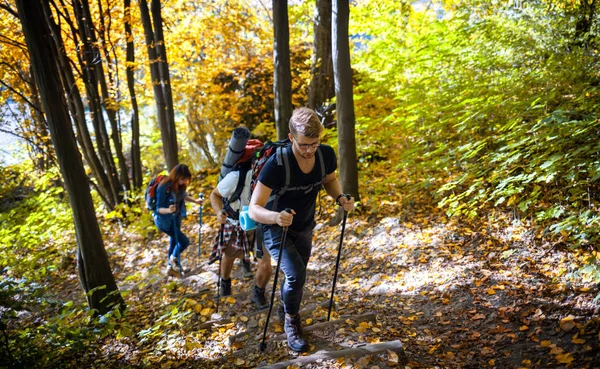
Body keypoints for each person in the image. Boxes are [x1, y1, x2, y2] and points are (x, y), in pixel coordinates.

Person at [248, 107, 354, 353]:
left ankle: (285, 306)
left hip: (305, 225)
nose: (308, 151)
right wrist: (276, 217)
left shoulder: (325, 155)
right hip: (276, 228)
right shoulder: (276, 163)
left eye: (314, 144)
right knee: (296, 275)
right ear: (291, 137)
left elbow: (329, 180)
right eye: (303, 145)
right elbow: (254, 208)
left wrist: (340, 198)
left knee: (296, 275)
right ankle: (291, 323)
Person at [209, 147, 273, 310]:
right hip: (235, 223)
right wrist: (218, 213)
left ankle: (258, 292)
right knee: (229, 257)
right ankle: (225, 282)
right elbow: (214, 195)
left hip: (259, 224)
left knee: (266, 264)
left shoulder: (269, 175)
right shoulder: (234, 177)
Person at [153, 164, 203, 277]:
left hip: (175, 218)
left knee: (174, 242)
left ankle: (172, 269)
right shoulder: (163, 187)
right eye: (181, 179)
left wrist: (196, 201)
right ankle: (173, 261)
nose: (183, 182)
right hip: (164, 221)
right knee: (184, 241)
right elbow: (158, 209)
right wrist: (168, 210)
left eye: (185, 179)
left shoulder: (180, 185)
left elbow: (183, 196)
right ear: (176, 176)